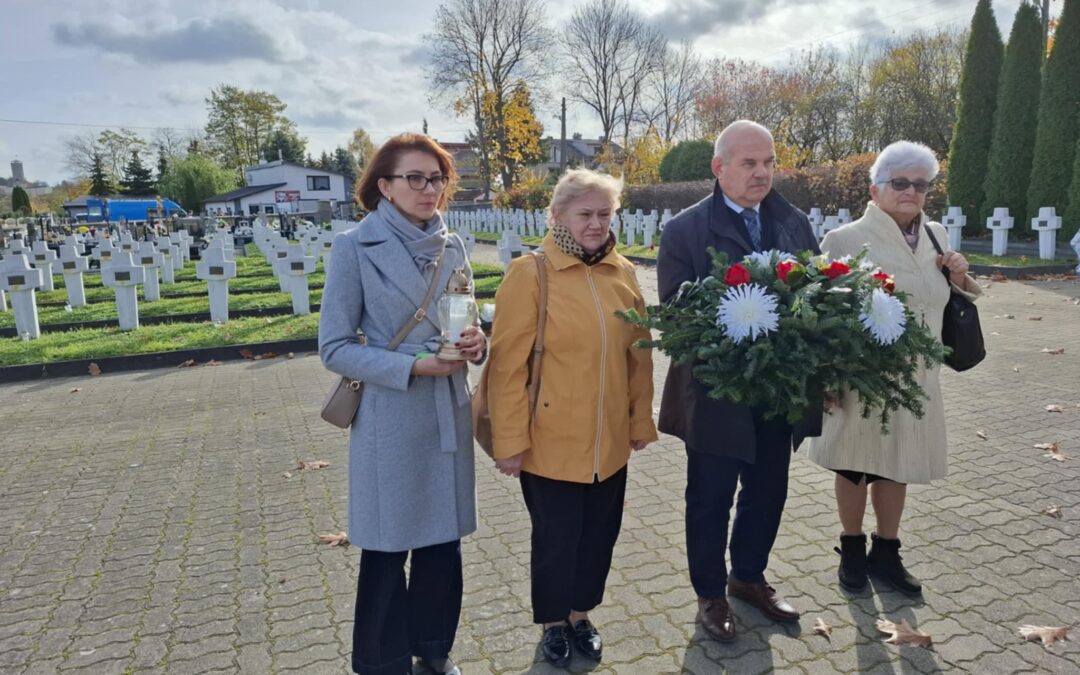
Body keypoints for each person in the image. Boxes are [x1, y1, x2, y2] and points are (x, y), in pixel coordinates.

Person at [319, 132, 486, 675]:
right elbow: (334, 348)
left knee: (443, 547)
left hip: (446, 415)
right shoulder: (354, 247)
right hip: (391, 420)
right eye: (414, 178)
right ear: (384, 187)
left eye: (436, 177)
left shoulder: (454, 245)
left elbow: (466, 317)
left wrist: (479, 341)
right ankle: (382, 662)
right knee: (387, 550)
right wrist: (412, 366)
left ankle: (434, 652)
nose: (429, 188)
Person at [486, 168, 658, 668]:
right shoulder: (530, 273)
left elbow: (639, 356)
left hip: (609, 443)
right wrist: (510, 441)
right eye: (585, 214)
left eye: (605, 214)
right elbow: (507, 368)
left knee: (599, 536)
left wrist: (639, 422)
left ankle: (582, 615)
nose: (596, 224)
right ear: (557, 214)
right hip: (550, 442)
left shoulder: (623, 272)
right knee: (556, 541)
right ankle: (553, 624)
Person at [657, 120, 821, 642]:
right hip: (717, 390)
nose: (762, 172)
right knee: (710, 496)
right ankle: (710, 594)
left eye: (769, 162)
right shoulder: (685, 229)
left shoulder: (793, 222)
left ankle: (748, 577)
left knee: (768, 489)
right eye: (749, 163)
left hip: (777, 388)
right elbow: (676, 313)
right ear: (719, 168)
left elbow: (817, 295)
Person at [808, 141, 981, 595]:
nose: (910, 192)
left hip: (918, 377)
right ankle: (850, 549)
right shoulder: (842, 240)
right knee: (853, 466)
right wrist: (825, 377)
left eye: (920, 185)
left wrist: (959, 275)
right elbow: (819, 314)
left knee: (896, 465)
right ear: (875, 188)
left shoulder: (937, 234)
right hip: (859, 378)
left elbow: (946, 299)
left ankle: (886, 551)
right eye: (899, 183)